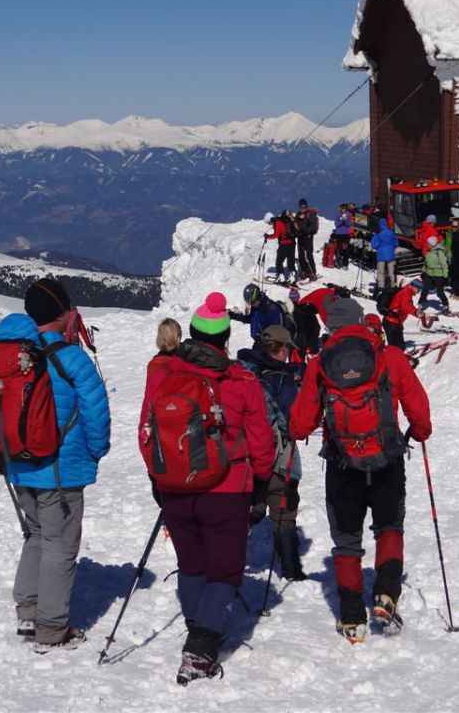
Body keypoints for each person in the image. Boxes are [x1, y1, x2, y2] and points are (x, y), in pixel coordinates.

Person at [288, 297, 432, 642]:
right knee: (389, 526)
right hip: (387, 461)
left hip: (343, 465)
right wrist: (419, 433)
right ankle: (385, 593)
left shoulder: (320, 364)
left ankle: (352, 617)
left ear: (330, 328)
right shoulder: (391, 358)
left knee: (347, 541)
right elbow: (420, 410)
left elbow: (298, 425)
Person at [150, 292, 275, 685]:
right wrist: (261, 482)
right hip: (227, 487)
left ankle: (197, 626)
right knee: (223, 572)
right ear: (224, 339)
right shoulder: (241, 380)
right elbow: (261, 442)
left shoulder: (165, 375)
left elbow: (147, 433)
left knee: (192, 566)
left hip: (174, 487)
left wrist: (161, 477)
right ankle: (200, 648)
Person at [0, 279, 111, 653]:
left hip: (19, 466)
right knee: (60, 546)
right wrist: (94, 453)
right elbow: (97, 414)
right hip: (61, 471)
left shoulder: (15, 357)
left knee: (35, 535)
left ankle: (28, 611)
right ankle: (51, 629)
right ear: (65, 314)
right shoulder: (71, 357)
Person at [237, 325, 307, 581]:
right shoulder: (282, 379)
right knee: (283, 509)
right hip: (277, 457)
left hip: (243, 456)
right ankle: (291, 570)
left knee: (249, 507)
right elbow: (293, 423)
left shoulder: (242, 370)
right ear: (281, 348)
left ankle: (226, 562)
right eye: (288, 348)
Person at [139, 318, 183, 447]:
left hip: (161, 425)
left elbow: (149, 399)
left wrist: (144, 427)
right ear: (178, 336)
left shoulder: (154, 366)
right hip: (184, 422)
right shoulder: (185, 364)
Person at [379, 280, 420, 350]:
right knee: (396, 346)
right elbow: (406, 307)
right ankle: (392, 359)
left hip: (393, 322)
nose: (419, 291)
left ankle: (394, 357)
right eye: (419, 289)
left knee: (396, 344)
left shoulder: (406, 290)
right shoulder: (406, 292)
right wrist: (417, 313)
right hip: (392, 323)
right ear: (414, 287)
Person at [418, 235, 450, 313]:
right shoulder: (429, 251)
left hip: (438, 274)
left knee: (440, 291)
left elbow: (444, 264)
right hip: (429, 274)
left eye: (428, 243)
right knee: (425, 289)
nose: (427, 244)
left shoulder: (439, 252)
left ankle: (445, 305)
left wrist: (445, 276)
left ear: (432, 244)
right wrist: (423, 270)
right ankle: (421, 304)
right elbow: (426, 263)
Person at [266, 211, 297, 284]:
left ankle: (281, 277)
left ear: (270, 219)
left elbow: (276, 235)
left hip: (284, 244)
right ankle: (293, 277)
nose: (270, 224)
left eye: (268, 222)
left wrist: (267, 236)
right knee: (290, 261)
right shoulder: (283, 220)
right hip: (292, 243)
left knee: (279, 261)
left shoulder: (278, 222)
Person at [371, 218, 398, 294]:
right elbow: (396, 243)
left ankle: (381, 287)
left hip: (381, 255)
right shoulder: (391, 233)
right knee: (391, 272)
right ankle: (393, 285)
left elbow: (374, 245)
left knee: (380, 272)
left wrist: (374, 237)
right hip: (391, 255)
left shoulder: (379, 234)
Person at [295, 199, 319, 281]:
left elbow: (314, 227)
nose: (303, 208)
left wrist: (305, 231)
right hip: (300, 238)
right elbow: (295, 225)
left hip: (308, 237)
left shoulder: (310, 214)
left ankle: (313, 272)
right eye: (301, 207)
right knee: (301, 255)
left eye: (304, 207)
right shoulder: (298, 215)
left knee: (309, 255)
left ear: (306, 206)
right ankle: (305, 271)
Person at [332, 204, 352, 269]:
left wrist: (345, 221)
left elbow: (349, 224)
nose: (343, 210)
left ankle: (345, 264)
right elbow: (336, 224)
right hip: (339, 234)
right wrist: (342, 221)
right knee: (339, 248)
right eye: (341, 208)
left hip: (346, 234)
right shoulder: (338, 215)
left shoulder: (349, 215)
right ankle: (338, 262)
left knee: (346, 249)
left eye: (344, 208)